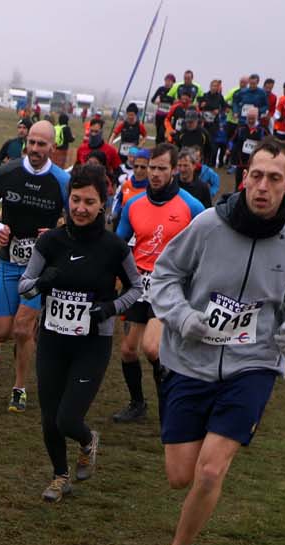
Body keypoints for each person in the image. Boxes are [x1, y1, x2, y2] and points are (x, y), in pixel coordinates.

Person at [148, 140, 285, 545]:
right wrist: (183, 319)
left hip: (255, 363)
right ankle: (206, 424)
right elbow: (164, 276)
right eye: (257, 176)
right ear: (244, 177)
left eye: (274, 179)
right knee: (180, 474)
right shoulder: (207, 226)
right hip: (190, 358)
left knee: (209, 472)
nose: (263, 187)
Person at [0, 121, 71, 414]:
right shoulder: (9, 172)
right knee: (2, 331)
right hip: (9, 261)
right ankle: (31, 333)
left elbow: (78, 216)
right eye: (31, 142)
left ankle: (19, 388)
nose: (34, 149)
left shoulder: (62, 181)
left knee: (21, 329)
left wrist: (56, 233)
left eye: (41, 144)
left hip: (40, 268)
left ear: (52, 148)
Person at [111, 143, 204, 422]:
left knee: (152, 347)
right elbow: (118, 244)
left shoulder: (193, 207)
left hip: (172, 286)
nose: (155, 174)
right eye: (152, 167)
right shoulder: (133, 205)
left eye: (162, 168)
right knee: (128, 350)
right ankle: (138, 403)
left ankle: (170, 405)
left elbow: (207, 248)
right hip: (139, 284)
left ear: (174, 170)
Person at [229, 107, 271, 194]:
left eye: (253, 118)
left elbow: (270, 143)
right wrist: (229, 149)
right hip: (241, 162)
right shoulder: (241, 129)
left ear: (257, 118)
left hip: (257, 162)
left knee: (254, 184)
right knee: (239, 185)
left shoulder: (263, 130)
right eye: (249, 118)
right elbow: (232, 140)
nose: (250, 120)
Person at [150, 74, 177, 144]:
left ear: (173, 82)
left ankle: (162, 148)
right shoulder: (160, 89)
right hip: (159, 115)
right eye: (166, 80)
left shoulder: (174, 91)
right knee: (158, 133)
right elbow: (152, 100)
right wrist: (156, 101)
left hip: (168, 117)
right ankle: (157, 148)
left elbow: (176, 102)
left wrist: (172, 102)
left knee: (162, 133)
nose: (167, 82)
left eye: (169, 81)